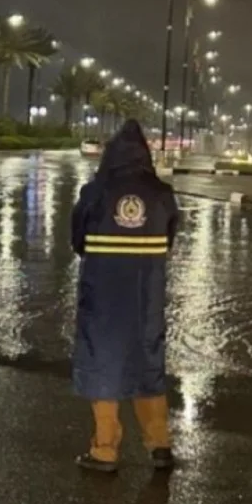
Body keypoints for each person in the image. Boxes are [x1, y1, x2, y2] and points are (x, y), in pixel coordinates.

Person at [71, 119, 179, 473]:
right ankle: (159, 445)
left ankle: (105, 450)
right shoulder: (162, 195)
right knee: (147, 363)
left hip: (103, 296)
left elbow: (78, 239)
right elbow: (170, 239)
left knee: (103, 363)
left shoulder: (96, 192)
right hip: (145, 295)